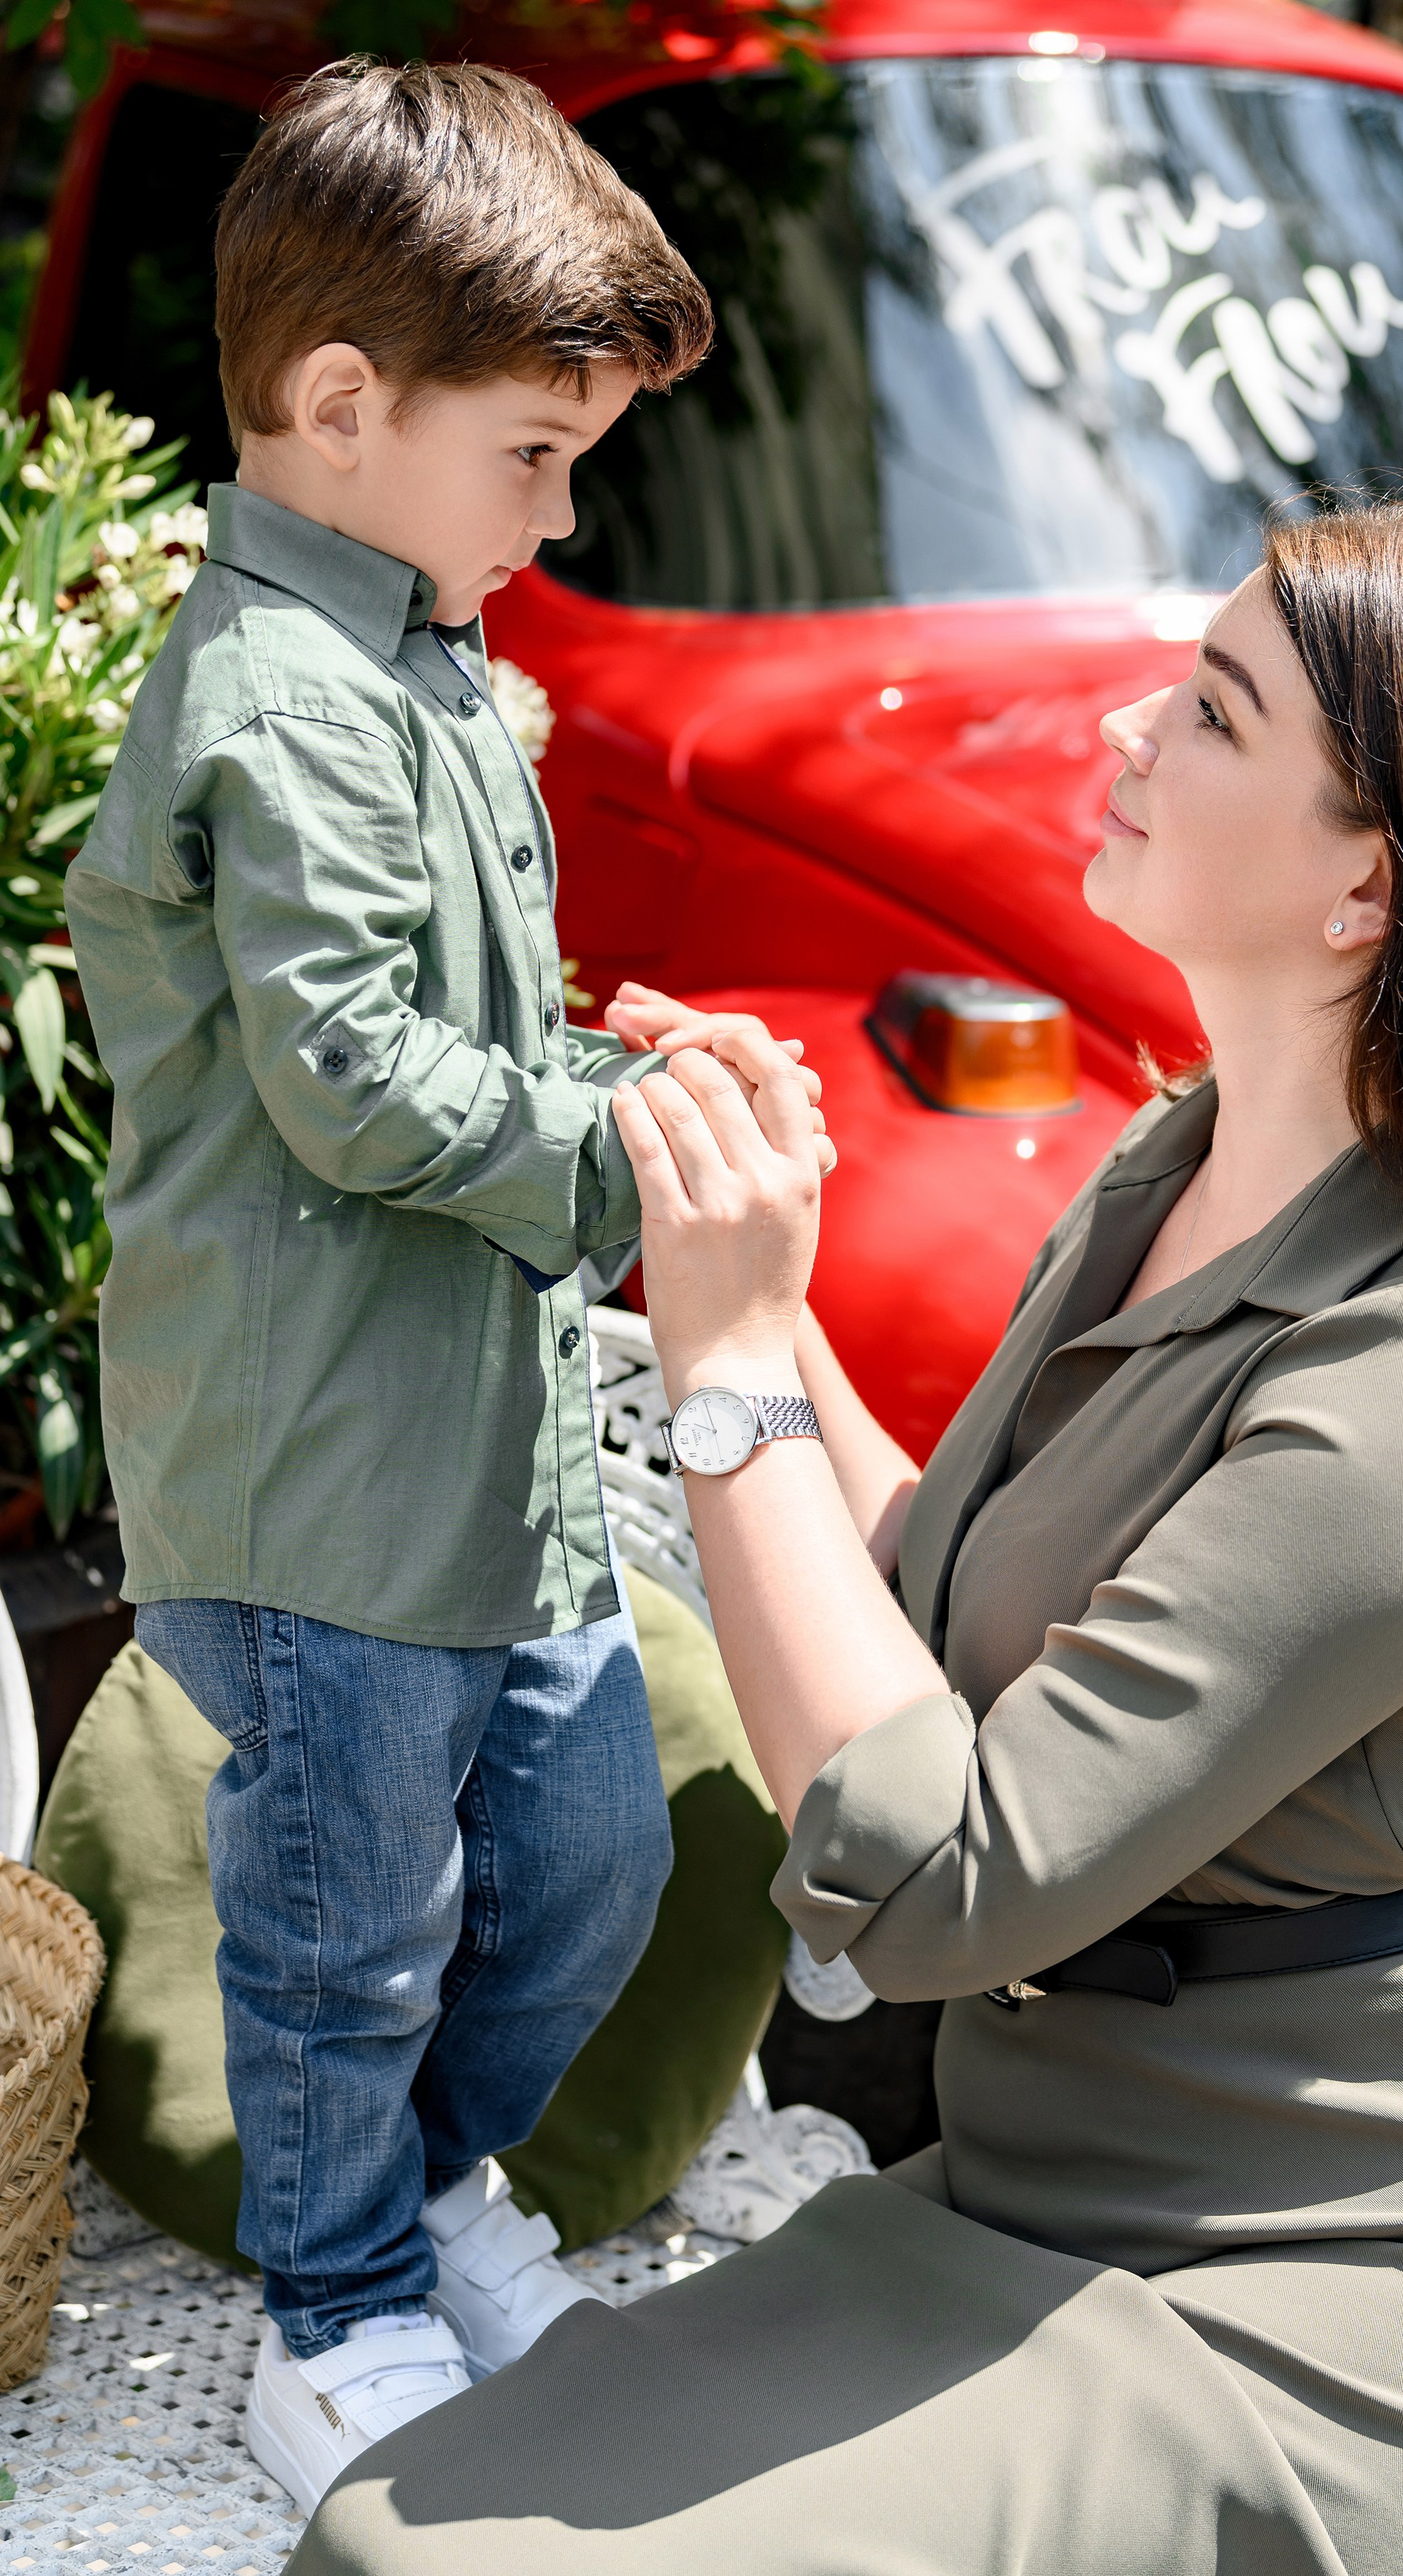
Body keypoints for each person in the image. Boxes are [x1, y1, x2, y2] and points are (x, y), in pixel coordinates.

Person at [291, 501, 1403, 2576]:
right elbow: (921, 1597)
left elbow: (947, 1881)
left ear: (1369, 886)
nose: (1129, 728)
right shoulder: (1175, 1163)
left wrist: (729, 1365)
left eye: (1214, 712)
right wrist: (763, 1278)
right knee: (384, 2528)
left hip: (1339, 2317)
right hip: (1028, 2201)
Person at [64, 55, 827, 2519]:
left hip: (468, 1448)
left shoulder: (407, 650)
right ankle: (337, 2314)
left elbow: (457, 1025)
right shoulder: (279, 694)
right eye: (536, 455)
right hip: (319, 1470)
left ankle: (421, 2197)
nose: (561, 513)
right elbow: (354, 1081)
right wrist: (632, 1158)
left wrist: (624, 1063)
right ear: (339, 406)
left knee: (592, 1849)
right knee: (344, 1926)